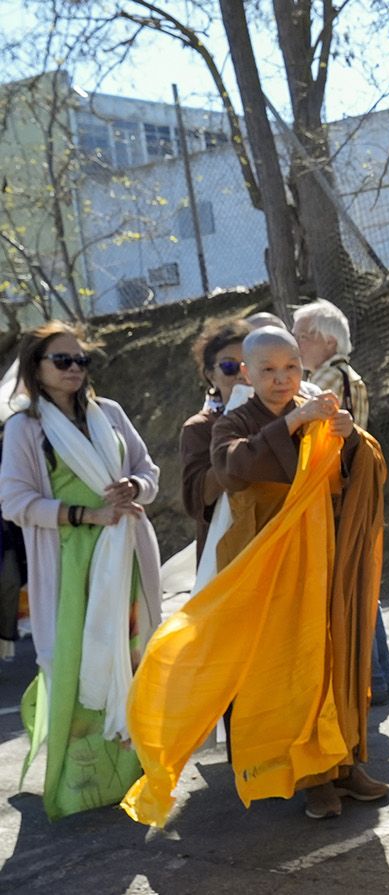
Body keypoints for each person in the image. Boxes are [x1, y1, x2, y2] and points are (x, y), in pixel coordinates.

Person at [208, 326, 389, 820]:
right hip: (277, 569)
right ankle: (312, 778)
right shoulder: (235, 420)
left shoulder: (318, 408)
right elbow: (231, 469)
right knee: (297, 669)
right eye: (267, 370)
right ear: (246, 373)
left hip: (332, 556)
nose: (281, 378)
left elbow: (360, 468)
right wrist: (290, 424)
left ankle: (347, 762)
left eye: (290, 367)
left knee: (342, 659)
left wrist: (353, 439)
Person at [0, 322, 164, 820]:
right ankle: (80, 782)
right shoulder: (25, 429)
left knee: (133, 657)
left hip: (127, 555)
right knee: (73, 663)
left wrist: (134, 486)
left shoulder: (109, 413)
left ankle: (136, 770)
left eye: (81, 360)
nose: (75, 369)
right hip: (68, 566)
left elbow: (150, 472)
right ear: (37, 368)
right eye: (62, 361)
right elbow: (14, 501)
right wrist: (85, 515)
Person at [292, 298, 389, 705]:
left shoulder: (326, 383)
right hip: (353, 491)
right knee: (360, 581)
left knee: (348, 586)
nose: (294, 344)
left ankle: (374, 678)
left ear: (327, 341)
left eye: (300, 336)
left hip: (338, 495)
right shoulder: (346, 376)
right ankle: (380, 675)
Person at [179, 318, 251, 567]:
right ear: (211, 375)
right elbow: (198, 500)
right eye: (230, 367)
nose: (241, 375)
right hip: (225, 557)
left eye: (250, 365)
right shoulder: (200, 428)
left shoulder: (284, 417)